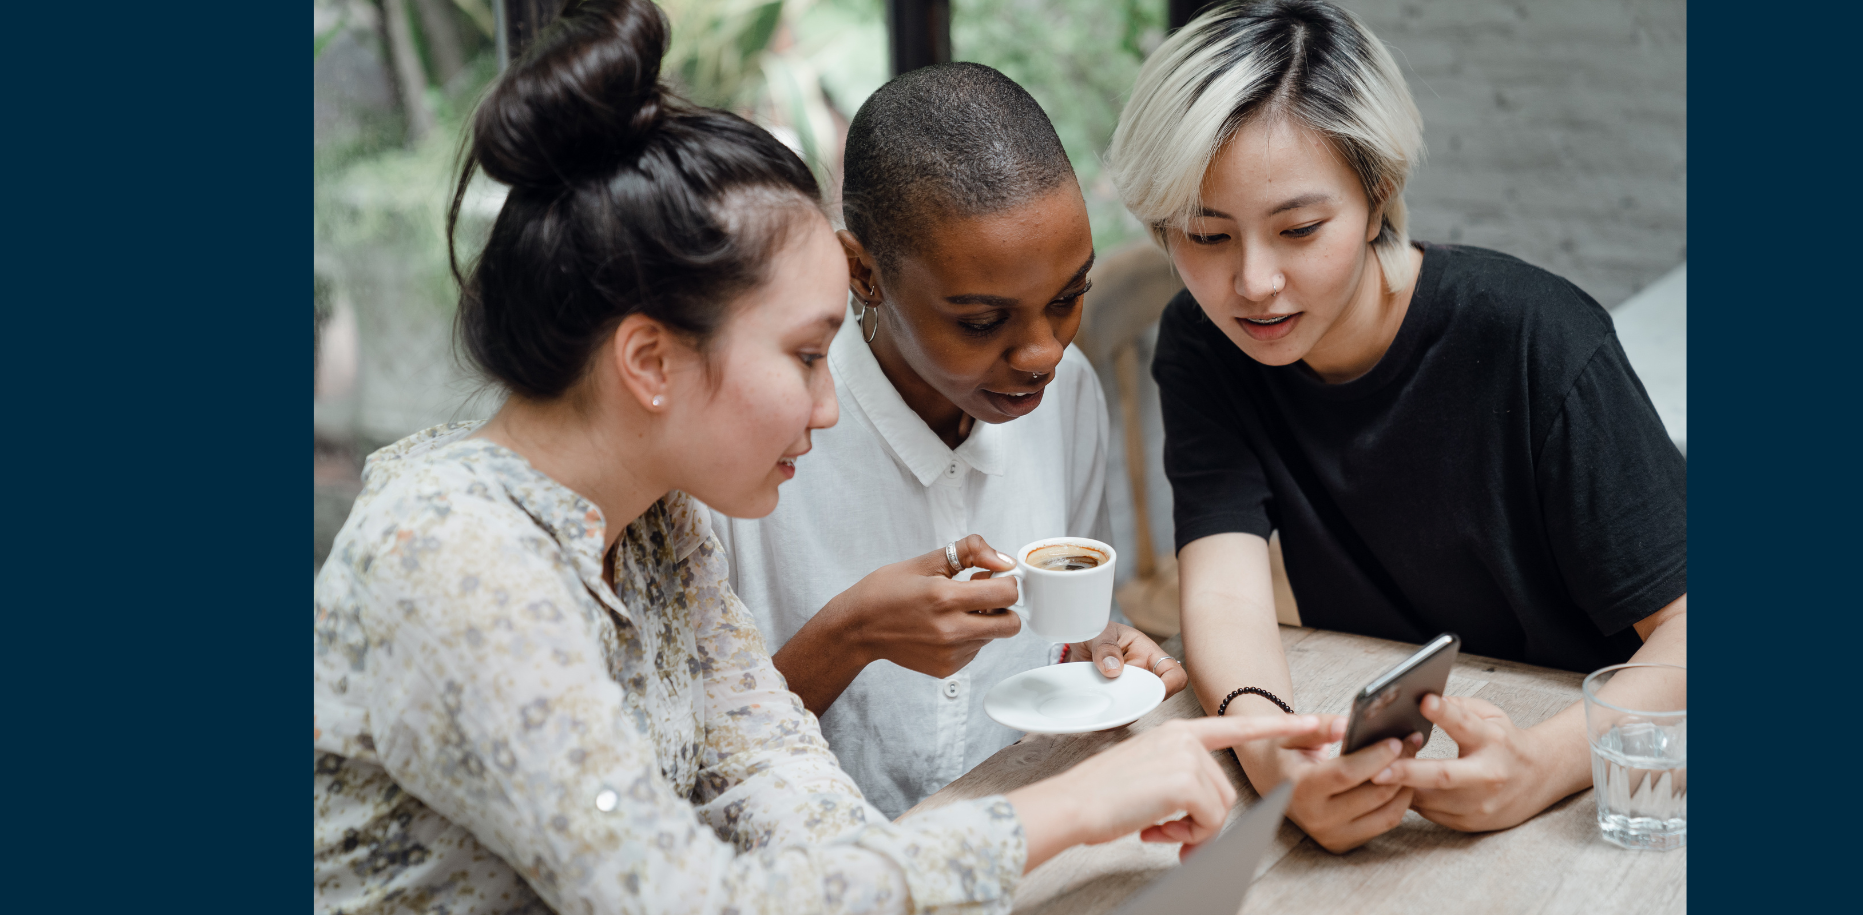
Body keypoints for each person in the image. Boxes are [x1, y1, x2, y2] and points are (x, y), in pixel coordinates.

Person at [310, 2, 1333, 913]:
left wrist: (1063, 813)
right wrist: (1063, 812)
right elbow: (682, 897)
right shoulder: (451, 555)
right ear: (649, 360)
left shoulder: (657, 525)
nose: (830, 400)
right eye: (806, 353)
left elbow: (775, 787)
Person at [1103, 0, 1688, 852]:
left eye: (1299, 229)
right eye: (1206, 235)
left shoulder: (1537, 336)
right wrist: (1277, 763)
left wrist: (1543, 762)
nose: (1253, 282)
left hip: (1608, 777)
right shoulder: (1206, 340)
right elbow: (1225, 588)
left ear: (1379, 197)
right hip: (1394, 749)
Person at [707, 62, 1186, 818]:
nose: (1043, 355)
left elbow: (1069, 644)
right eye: (981, 321)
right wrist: (849, 635)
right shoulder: (754, 442)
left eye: (1068, 299)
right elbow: (691, 768)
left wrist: (1100, 650)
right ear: (861, 272)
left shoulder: (1071, 400)